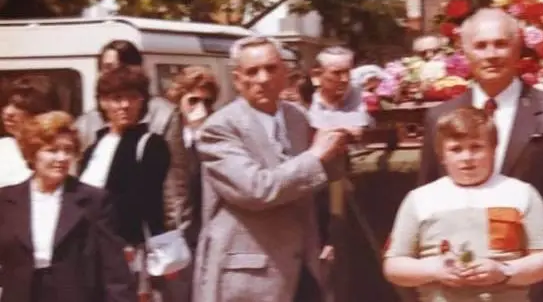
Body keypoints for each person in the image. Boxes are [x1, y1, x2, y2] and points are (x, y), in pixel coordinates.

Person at [419, 9, 543, 302]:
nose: (491, 54)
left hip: (538, 280)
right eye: (480, 45)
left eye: (500, 44)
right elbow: (425, 202)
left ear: (518, 48)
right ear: (464, 51)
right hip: (461, 282)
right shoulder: (440, 118)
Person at [192, 36, 352, 302]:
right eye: (252, 72)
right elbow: (257, 190)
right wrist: (315, 156)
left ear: (285, 73)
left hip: (304, 266)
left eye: (271, 68)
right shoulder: (219, 128)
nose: (263, 78)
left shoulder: (297, 117)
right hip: (250, 277)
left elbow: (313, 179)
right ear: (237, 79)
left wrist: (338, 145)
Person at [384, 107, 543, 301]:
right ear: (442, 155)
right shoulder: (420, 198)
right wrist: (433, 269)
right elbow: (394, 264)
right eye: (456, 149)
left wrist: (504, 270)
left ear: (493, 150)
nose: (467, 158)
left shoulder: (521, 193)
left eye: (476, 147)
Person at [0, 111, 135, 302]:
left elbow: (114, 270)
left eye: (68, 150)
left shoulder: (93, 200)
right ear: (32, 153)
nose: (62, 158)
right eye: (52, 150)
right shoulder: (6, 200)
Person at [78, 65, 171, 292]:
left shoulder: (151, 144)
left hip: (129, 248)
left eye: (132, 97)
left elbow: (147, 202)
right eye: (116, 98)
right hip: (89, 248)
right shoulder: (93, 148)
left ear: (143, 101)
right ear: (102, 102)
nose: (125, 105)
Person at [160, 66, 220, 302]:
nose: (199, 107)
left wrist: (203, 134)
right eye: (193, 100)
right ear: (179, 99)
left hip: (208, 230)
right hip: (175, 230)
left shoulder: (216, 132)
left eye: (206, 101)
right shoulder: (165, 134)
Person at [0, 78, 59, 187]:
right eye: (6, 105)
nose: (8, 112)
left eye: (20, 106)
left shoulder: (59, 150)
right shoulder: (3, 147)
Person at [307, 46, 373, 130]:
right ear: (317, 74)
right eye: (337, 73)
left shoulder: (362, 99)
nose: (344, 79)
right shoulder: (307, 103)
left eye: (347, 72)